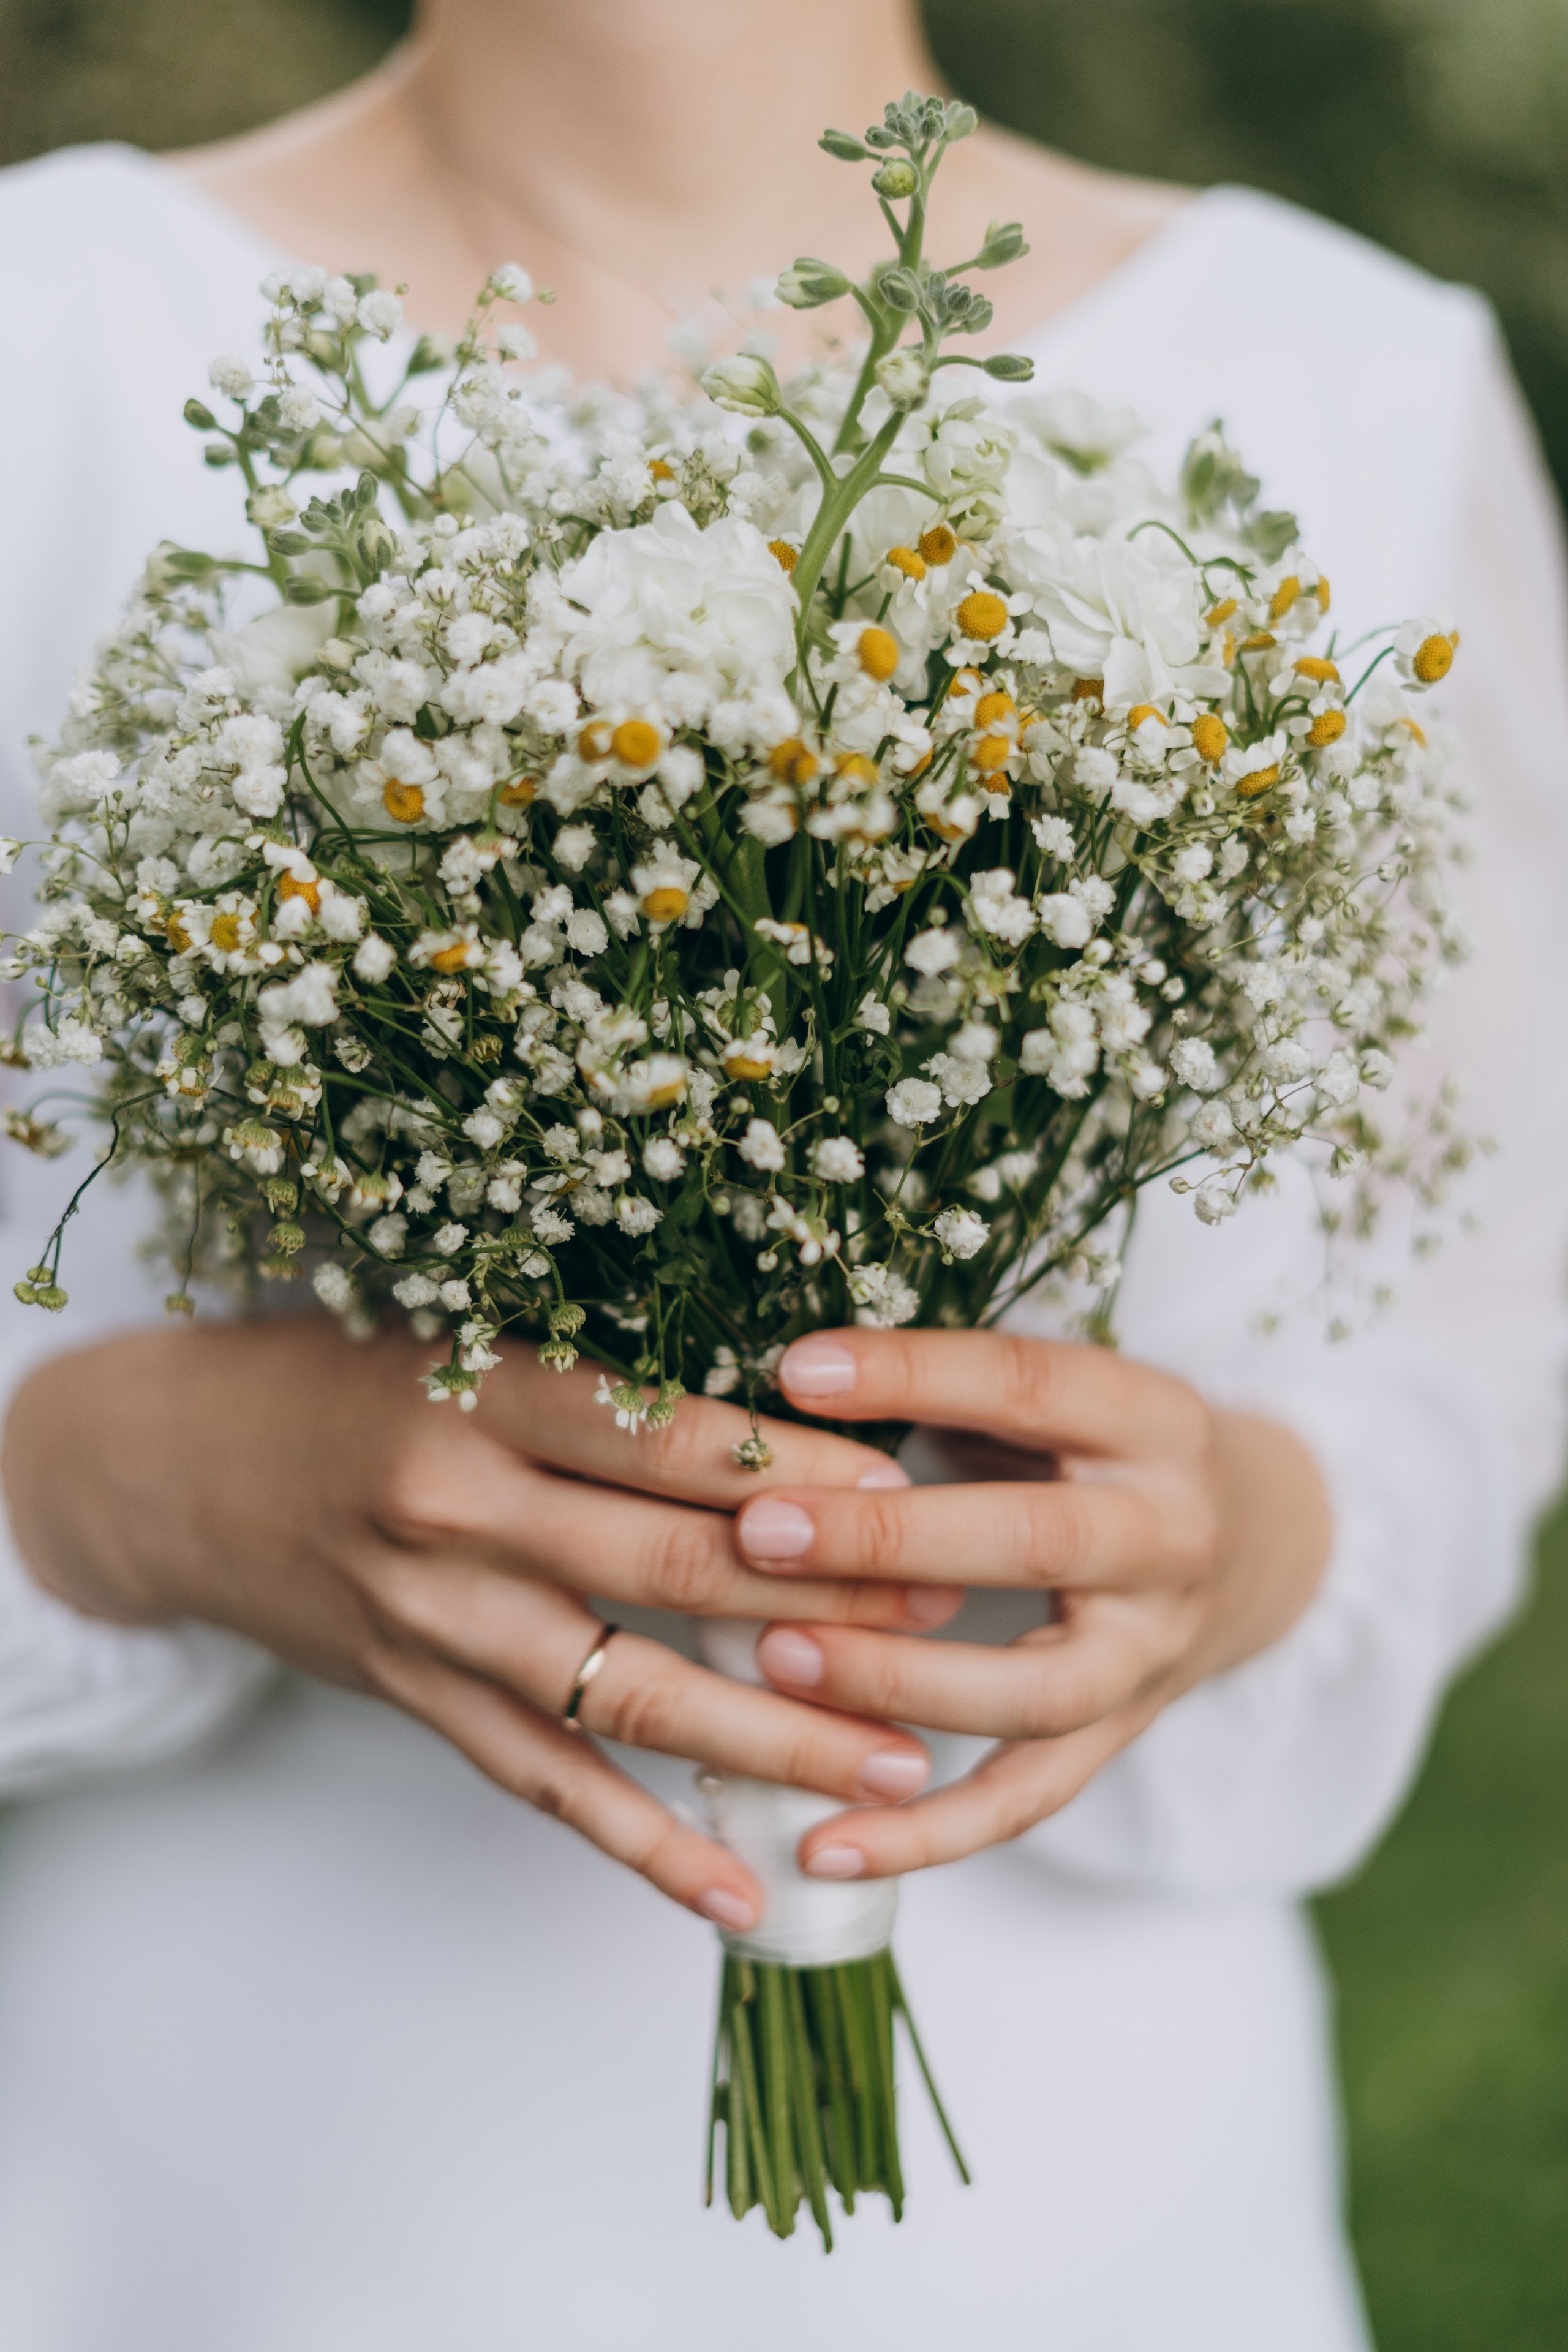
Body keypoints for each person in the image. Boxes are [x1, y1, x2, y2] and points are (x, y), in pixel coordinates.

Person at [0, 2, 1564, 2345]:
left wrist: (1236, 1542)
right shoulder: (49, 344)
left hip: (1085, 2199)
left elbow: (1481, 1353)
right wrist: (111, 1482)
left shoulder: (1354, 376)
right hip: (236, 2184)